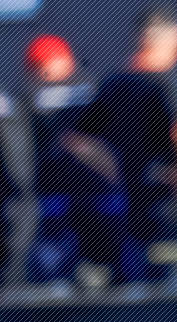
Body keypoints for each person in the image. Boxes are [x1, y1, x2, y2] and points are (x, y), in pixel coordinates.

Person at [73, 7, 177, 285]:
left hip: (134, 206)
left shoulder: (114, 83)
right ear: (175, 36)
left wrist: (115, 169)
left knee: (142, 299)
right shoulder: (169, 81)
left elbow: (77, 139)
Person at [17, 35, 113, 286]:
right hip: (64, 197)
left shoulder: (90, 91)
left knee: (85, 266)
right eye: (37, 68)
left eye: (45, 65)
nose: (43, 73)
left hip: (86, 195)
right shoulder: (91, 88)